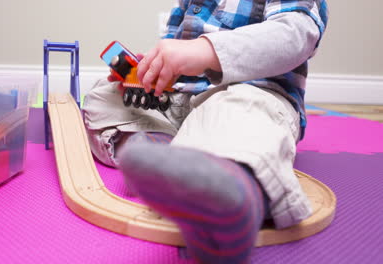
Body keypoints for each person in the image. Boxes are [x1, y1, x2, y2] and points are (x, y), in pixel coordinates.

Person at [82, 0, 328, 263]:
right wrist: (155, 71)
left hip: (249, 92)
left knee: (242, 114)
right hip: (179, 101)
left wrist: (205, 50)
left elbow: (296, 35)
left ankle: (234, 200)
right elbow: (175, 46)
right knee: (103, 95)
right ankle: (163, 152)